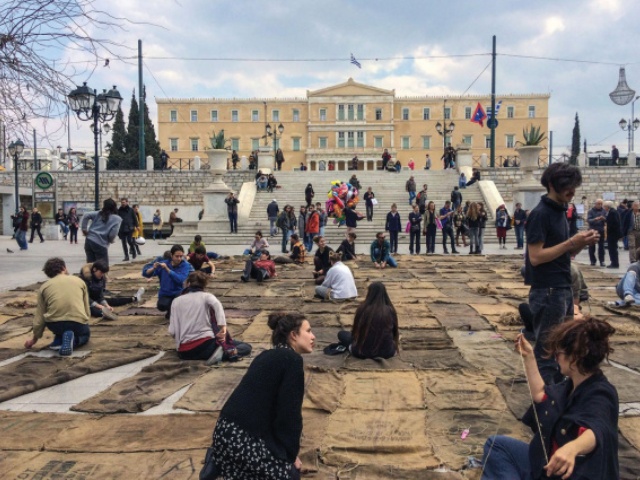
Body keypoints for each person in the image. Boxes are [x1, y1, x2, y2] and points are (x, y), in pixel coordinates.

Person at [482, 318, 619, 480]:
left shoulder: (601, 394)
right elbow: (542, 394)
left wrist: (572, 448)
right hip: (546, 466)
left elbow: (598, 430)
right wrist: (529, 357)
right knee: (497, 445)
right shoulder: (571, 384)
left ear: (575, 356)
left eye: (559, 353)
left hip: (573, 474)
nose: (556, 358)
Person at [200, 312, 314, 479]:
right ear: (294, 335)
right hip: (241, 437)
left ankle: (220, 460)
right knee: (289, 475)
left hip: (223, 431)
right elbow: (289, 416)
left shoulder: (265, 355)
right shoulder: (292, 360)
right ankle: (219, 462)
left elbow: (268, 411)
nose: (313, 336)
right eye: (309, 331)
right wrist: (289, 456)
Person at [524, 162, 599, 384]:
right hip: (548, 291)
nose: (572, 190)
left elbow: (565, 253)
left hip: (562, 288)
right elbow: (536, 257)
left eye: (574, 185)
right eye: (567, 185)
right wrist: (570, 243)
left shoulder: (560, 211)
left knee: (563, 346)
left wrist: (581, 243)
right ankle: (545, 403)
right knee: (547, 351)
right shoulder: (541, 214)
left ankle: (556, 394)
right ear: (551, 184)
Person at [169, 271, 251, 364]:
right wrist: (223, 328)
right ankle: (223, 354)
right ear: (205, 284)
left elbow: (172, 331)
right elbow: (217, 306)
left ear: (188, 283)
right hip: (206, 346)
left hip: (184, 352)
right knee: (245, 347)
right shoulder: (207, 297)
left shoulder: (176, 301)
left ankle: (220, 353)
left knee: (228, 344)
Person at [24, 257, 91, 356]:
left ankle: (59, 342)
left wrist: (34, 340)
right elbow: (86, 309)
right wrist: (85, 322)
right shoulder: (79, 281)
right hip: (77, 322)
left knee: (61, 331)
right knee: (85, 334)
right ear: (64, 268)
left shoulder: (44, 287)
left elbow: (40, 317)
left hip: (55, 324)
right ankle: (73, 341)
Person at [337, 282, 398, 359]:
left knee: (342, 334)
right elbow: (394, 333)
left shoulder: (362, 308)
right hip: (387, 353)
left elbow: (355, 333)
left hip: (361, 352)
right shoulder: (390, 310)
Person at [79, 260, 144, 321]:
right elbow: (85, 297)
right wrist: (98, 306)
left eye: (103, 273)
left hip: (96, 298)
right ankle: (104, 314)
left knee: (114, 300)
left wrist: (106, 305)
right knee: (92, 310)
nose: (102, 275)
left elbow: (100, 295)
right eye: (100, 273)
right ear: (94, 269)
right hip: (84, 300)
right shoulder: (84, 279)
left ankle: (134, 298)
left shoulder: (102, 278)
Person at [142, 244, 194, 319]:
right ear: (171, 255)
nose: (179, 259)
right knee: (161, 306)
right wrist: (153, 268)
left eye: (181, 256)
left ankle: (175, 311)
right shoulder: (164, 263)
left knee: (182, 301)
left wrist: (168, 270)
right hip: (166, 293)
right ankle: (172, 310)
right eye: (177, 256)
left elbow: (180, 280)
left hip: (178, 292)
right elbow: (146, 274)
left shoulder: (185, 265)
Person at [81, 198, 122, 266]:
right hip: (100, 243)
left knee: (90, 265)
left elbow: (86, 215)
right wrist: (111, 240)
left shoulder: (98, 213)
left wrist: (84, 229)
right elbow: (112, 234)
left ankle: (89, 276)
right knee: (103, 266)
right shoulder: (116, 219)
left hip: (89, 240)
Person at [117, 198, 138, 262]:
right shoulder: (119, 210)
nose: (123, 203)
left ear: (127, 202)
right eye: (122, 202)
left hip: (129, 228)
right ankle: (126, 256)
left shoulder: (131, 210)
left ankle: (133, 250)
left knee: (129, 241)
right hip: (122, 228)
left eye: (124, 202)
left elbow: (134, 218)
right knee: (123, 243)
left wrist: (137, 226)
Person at [587, 198, 606, 267]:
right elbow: (589, 220)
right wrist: (595, 219)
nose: (600, 205)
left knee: (601, 247)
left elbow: (606, 219)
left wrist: (604, 219)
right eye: (598, 204)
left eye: (601, 204)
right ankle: (593, 260)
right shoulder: (591, 211)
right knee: (592, 246)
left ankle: (602, 261)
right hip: (593, 230)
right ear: (595, 204)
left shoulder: (604, 211)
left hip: (601, 230)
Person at [603, 200, 622, 268]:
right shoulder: (612, 211)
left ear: (607, 207)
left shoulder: (612, 212)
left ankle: (614, 263)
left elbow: (614, 223)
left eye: (604, 206)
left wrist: (609, 228)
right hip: (613, 233)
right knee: (612, 248)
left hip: (613, 234)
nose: (604, 208)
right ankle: (614, 262)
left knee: (612, 249)